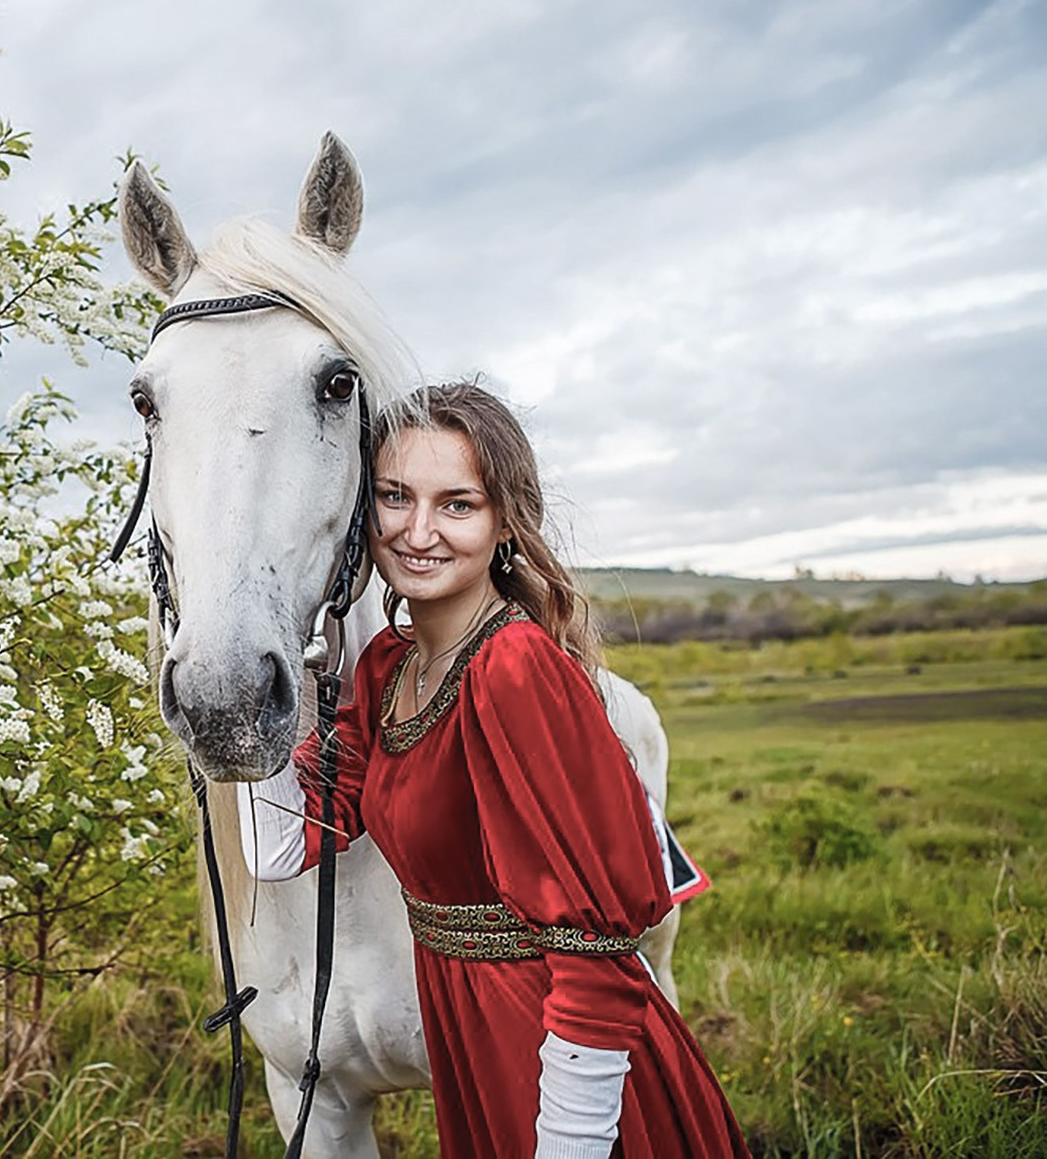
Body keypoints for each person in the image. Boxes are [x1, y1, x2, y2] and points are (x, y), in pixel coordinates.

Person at [239, 381, 747, 1159]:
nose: (418, 531)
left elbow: (599, 953)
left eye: (457, 504)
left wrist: (569, 1143)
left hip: (565, 1064)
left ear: (504, 521)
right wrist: (254, 678)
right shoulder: (389, 666)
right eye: (395, 496)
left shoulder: (515, 667)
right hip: (474, 1046)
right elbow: (279, 847)